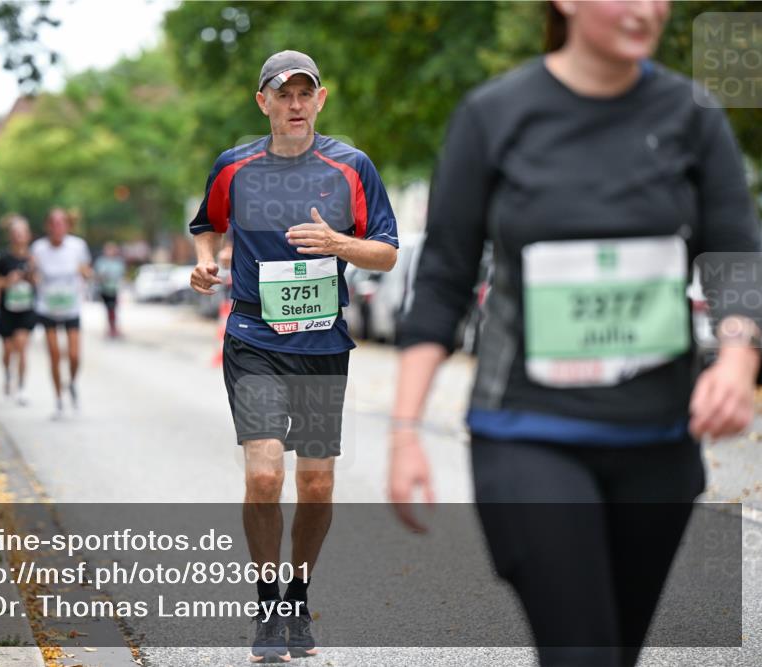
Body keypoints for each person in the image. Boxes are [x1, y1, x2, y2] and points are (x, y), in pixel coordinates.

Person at [389, 3, 761, 667]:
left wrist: (736, 358)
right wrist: (405, 429)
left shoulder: (692, 115)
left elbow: (736, 254)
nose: (646, 9)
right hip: (528, 432)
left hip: (658, 445)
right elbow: (442, 280)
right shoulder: (494, 116)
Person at [189, 50, 399, 663]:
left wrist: (338, 243)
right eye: (283, 94)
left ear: (321, 99)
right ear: (264, 102)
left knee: (314, 482)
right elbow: (209, 223)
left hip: (322, 343)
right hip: (253, 337)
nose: (295, 104)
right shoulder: (235, 166)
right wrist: (206, 260)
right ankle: (268, 603)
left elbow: (386, 253)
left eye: (305, 93)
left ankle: (298, 594)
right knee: (263, 474)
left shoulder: (352, 167)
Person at [32, 208, 92, 419]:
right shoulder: (38, 248)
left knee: (74, 355)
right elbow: (32, 273)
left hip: (71, 306)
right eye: (54, 223)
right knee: (55, 356)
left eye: (61, 223)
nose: (57, 227)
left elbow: (87, 271)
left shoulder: (77, 246)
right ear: (48, 226)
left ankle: (72, 383)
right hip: (47, 306)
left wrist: (84, 273)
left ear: (67, 225)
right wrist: (31, 277)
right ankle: (58, 400)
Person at [0, 215, 36, 405]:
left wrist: (31, 275)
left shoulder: (34, 258)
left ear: (28, 235)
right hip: (7, 310)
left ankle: (22, 387)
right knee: (8, 350)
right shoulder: (2, 258)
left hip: (26, 309)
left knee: (22, 347)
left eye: (22, 233)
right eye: (15, 233)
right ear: (10, 236)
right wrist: (8, 281)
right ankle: (8, 374)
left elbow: (39, 282)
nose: (19, 237)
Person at [94, 242, 125, 338]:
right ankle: (111, 327)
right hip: (104, 289)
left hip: (114, 289)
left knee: (113, 309)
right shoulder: (101, 262)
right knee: (108, 309)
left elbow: (120, 275)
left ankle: (113, 327)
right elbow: (97, 275)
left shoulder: (118, 262)